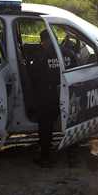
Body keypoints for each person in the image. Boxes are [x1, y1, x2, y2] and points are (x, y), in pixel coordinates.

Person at [30, 30, 65, 167]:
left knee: (45, 128)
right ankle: (64, 150)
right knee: (50, 126)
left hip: (45, 97)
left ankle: (45, 157)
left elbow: (33, 76)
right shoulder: (65, 53)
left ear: (44, 41)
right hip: (61, 95)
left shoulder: (41, 56)